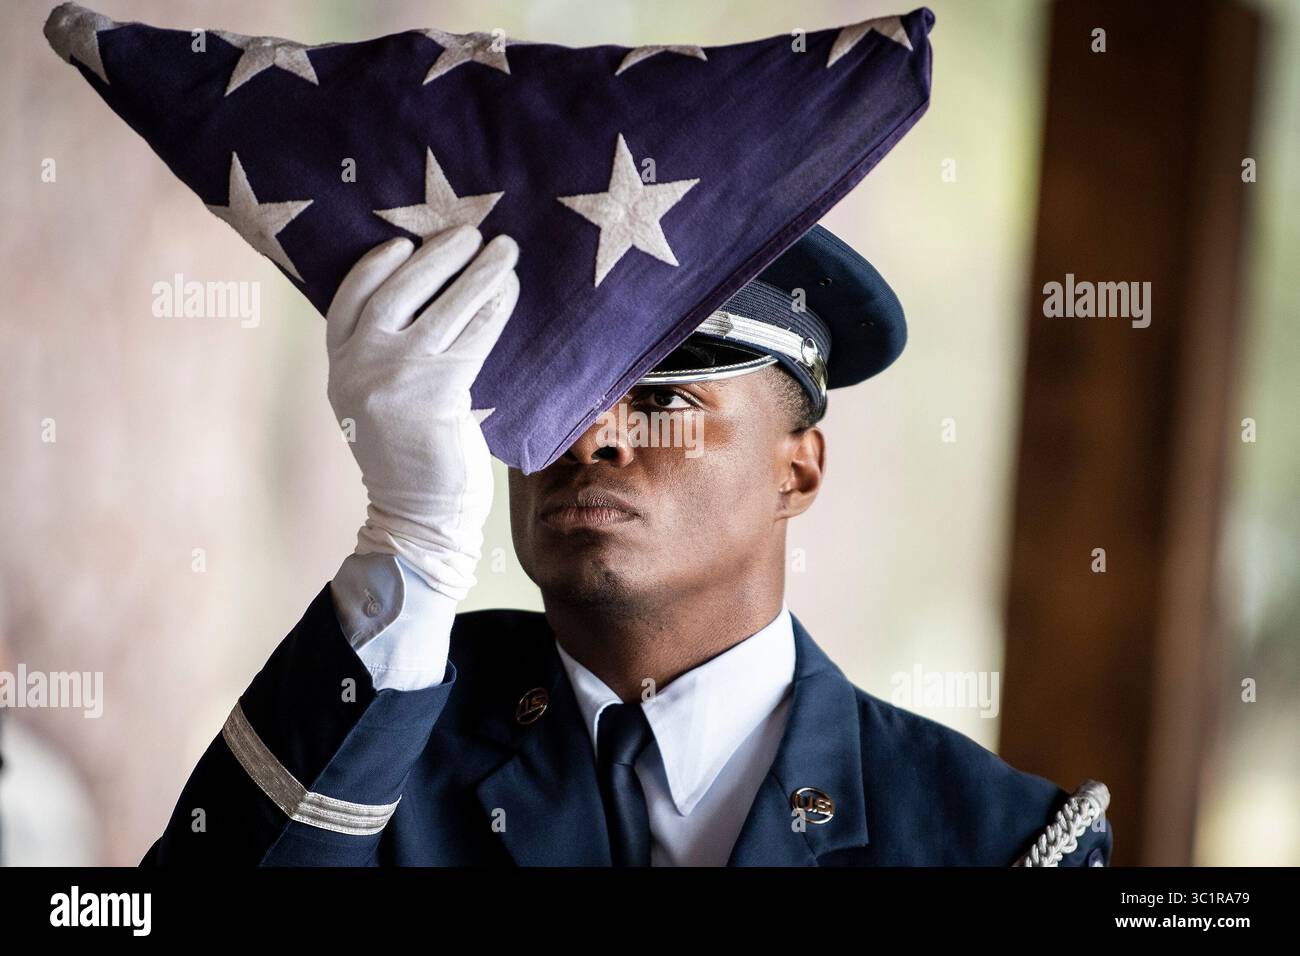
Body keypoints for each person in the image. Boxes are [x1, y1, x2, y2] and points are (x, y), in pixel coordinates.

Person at [142, 223, 1112, 867]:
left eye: (662, 401)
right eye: (550, 393)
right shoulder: (383, 736)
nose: (589, 434)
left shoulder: (991, 840)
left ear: (798, 470)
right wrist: (409, 537)